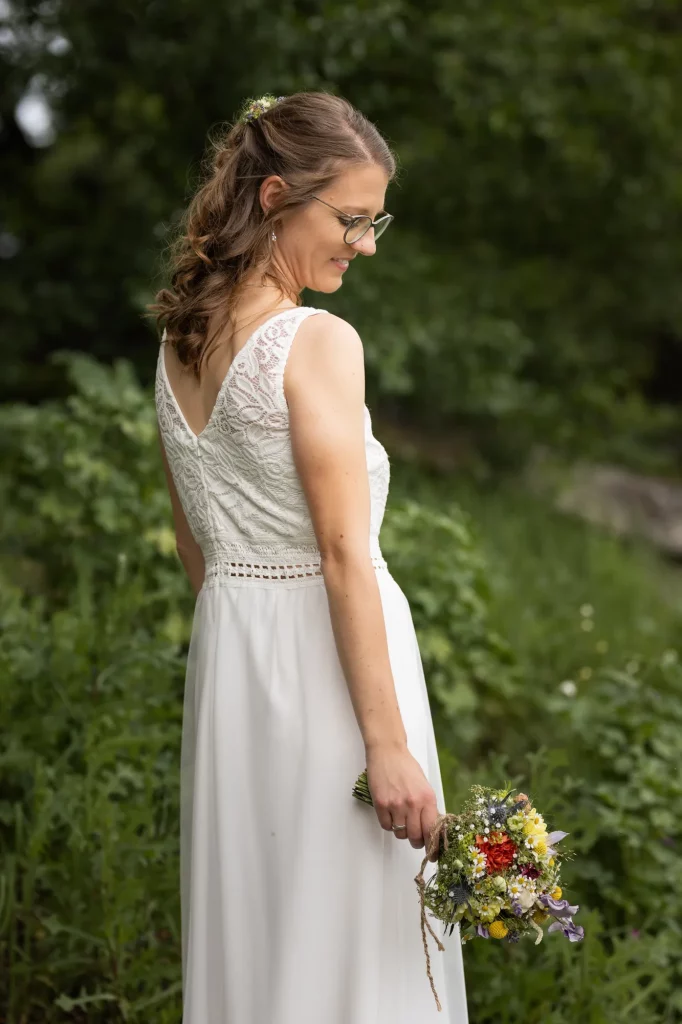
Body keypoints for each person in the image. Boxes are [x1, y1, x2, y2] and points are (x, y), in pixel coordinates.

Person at [150, 90, 468, 1023]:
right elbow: (340, 553)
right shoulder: (318, 342)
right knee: (358, 940)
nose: (366, 245)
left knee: (261, 922)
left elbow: (193, 545)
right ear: (277, 195)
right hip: (336, 672)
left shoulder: (178, 345)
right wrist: (385, 744)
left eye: (378, 222)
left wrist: (244, 667)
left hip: (235, 668)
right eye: (352, 219)